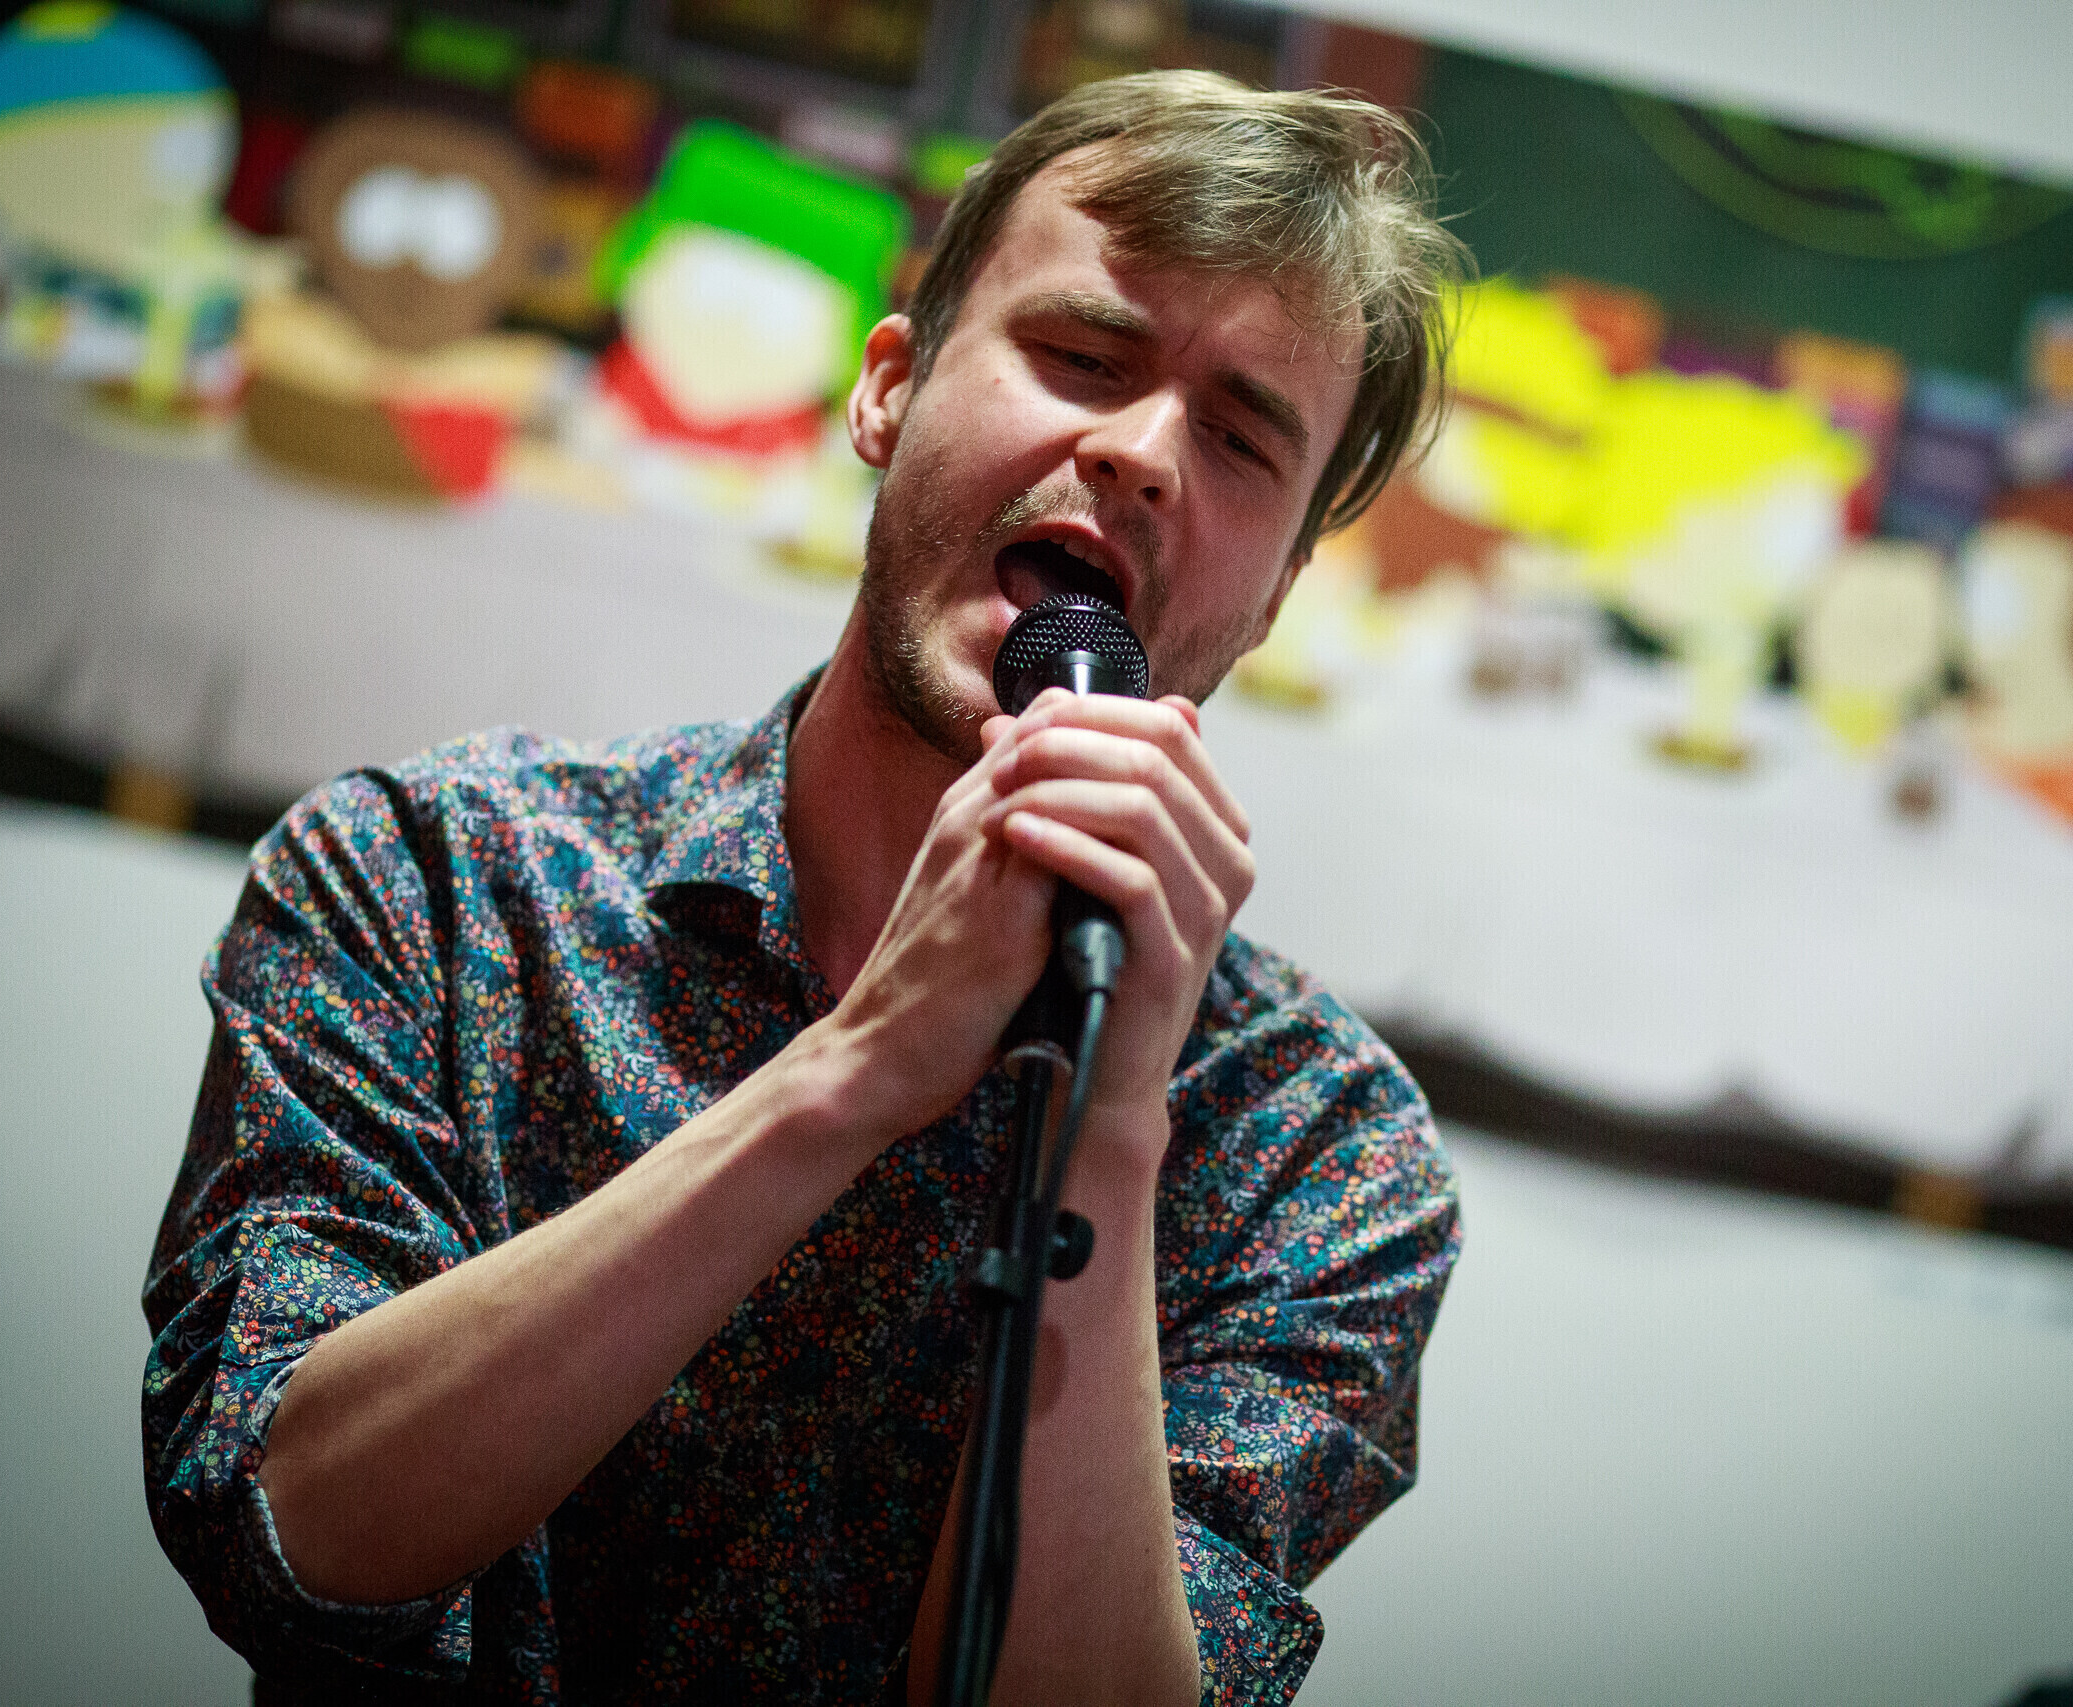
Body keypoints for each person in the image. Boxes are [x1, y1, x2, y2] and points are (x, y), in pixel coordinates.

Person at [143, 70, 1465, 1706]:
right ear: (889, 391)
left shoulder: (1325, 1153)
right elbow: (284, 1532)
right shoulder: (430, 876)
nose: (1138, 453)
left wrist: (1112, 1125)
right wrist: (855, 1070)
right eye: (1081, 357)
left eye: (1243, 437)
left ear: (1273, 598)